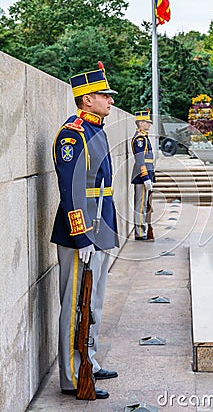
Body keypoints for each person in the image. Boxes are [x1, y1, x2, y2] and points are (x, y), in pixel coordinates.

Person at [51, 62, 119, 399]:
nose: (109, 100)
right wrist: (81, 236)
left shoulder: (97, 128)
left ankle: (87, 361)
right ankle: (71, 376)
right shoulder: (72, 134)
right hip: (81, 232)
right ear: (86, 99)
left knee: (94, 303)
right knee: (73, 303)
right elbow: (70, 189)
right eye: (104, 95)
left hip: (101, 227)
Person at [131, 110, 155, 240]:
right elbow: (140, 161)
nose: (149, 124)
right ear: (141, 123)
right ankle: (140, 232)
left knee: (144, 205)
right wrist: (146, 178)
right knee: (140, 205)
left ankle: (143, 229)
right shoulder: (140, 139)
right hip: (141, 177)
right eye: (147, 122)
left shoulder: (144, 137)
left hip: (145, 176)